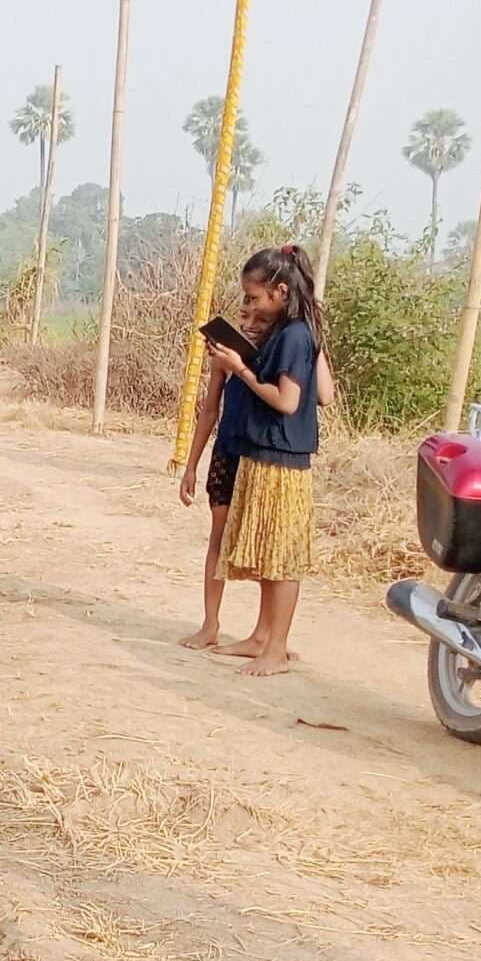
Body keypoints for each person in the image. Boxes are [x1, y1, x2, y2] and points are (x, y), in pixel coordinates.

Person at [201, 244, 326, 677]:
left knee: (283, 557)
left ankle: (276, 647)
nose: (250, 306)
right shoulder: (297, 334)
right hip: (266, 454)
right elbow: (322, 394)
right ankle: (262, 638)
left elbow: (287, 401)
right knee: (270, 555)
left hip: (282, 458)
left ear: (279, 291)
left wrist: (242, 370)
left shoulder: (293, 337)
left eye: (254, 298)